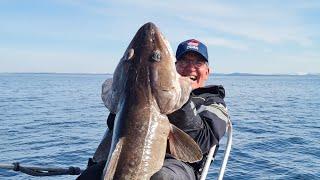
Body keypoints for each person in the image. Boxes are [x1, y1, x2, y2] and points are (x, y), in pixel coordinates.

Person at [77, 39, 229, 180]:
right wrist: (126, 97)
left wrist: (179, 100)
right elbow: (113, 126)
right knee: (90, 175)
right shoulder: (147, 91)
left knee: (160, 177)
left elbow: (203, 141)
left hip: (180, 166)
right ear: (174, 68)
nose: (190, 67)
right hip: (127, 157)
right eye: (183, 61)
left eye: (198, 62)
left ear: (207, 72)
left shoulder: (214, 102)